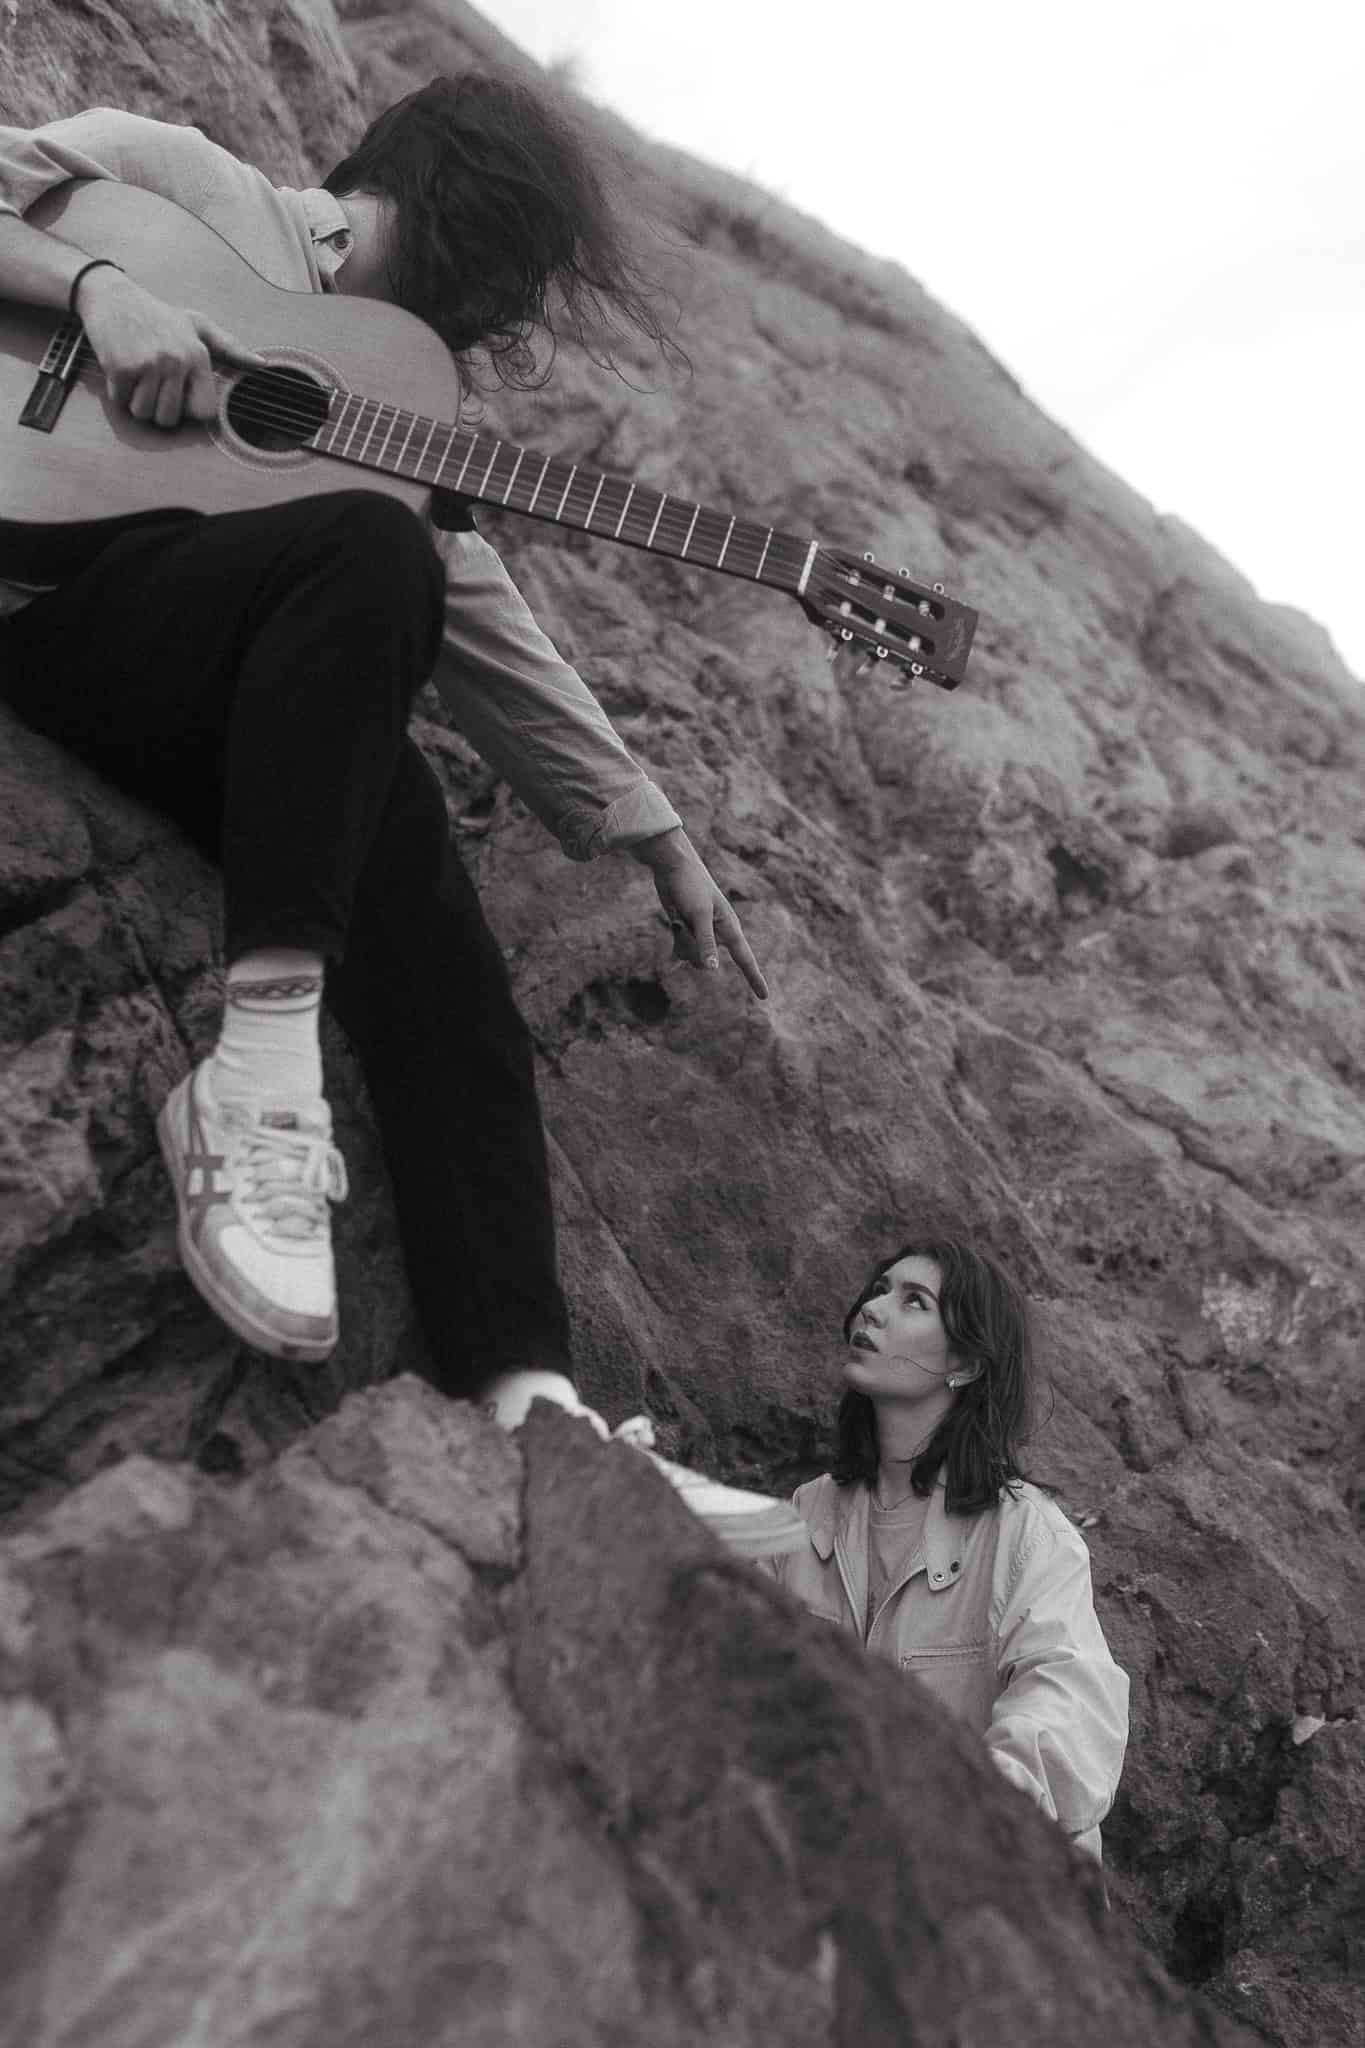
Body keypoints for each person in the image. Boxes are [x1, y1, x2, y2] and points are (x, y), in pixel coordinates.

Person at [0, 76, 805, 1558]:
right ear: (468, 207)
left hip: (214, 672)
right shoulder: (178, 181)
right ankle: (254, 1080)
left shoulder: (402, 402)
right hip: (40, 605)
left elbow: (480, 618)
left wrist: (651, 828)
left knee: (441, 936)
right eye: (517, 269)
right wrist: (104, 288)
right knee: (374, 551)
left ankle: (531, 1405)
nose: (507, 313)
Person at [761, 1238, 1130, 1861]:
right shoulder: (806, 1514)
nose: (873, 1309)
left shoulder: (1026, 1536)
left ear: (966, 1363)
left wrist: (962, 1811)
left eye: (914, 1301)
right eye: (880, 1289)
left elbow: (1070, 1711)